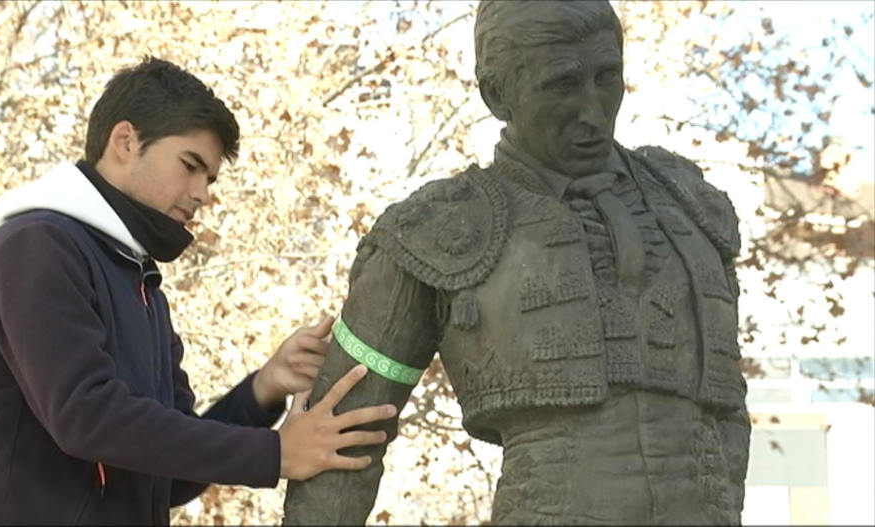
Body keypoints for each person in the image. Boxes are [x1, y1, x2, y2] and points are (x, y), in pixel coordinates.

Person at [283, 1, 750, 525]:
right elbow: (345, 437)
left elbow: (728, 410)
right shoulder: (434, 228)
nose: (593, 110)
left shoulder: (688, 206)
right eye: (563, 84)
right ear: (497, 94)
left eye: (607, 77)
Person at [0, 56, 395, 525]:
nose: (202, 193)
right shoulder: (36, 245)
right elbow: (85, 417)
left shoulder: (143, 288)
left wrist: (264, 389)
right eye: (191, 165)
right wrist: (276, 453)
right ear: (125, 141)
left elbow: (169, 475)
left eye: (210, 178)